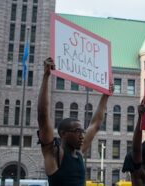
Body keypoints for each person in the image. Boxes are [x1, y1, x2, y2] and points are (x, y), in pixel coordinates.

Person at [37, 57, 112, 186]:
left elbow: (95, 124)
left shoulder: (79, 152)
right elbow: (43, 116)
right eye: (77, 131)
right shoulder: (53, 153)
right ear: (63, 133)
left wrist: (106, 95)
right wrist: (46, 76)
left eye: (82, 131)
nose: (82, 135)